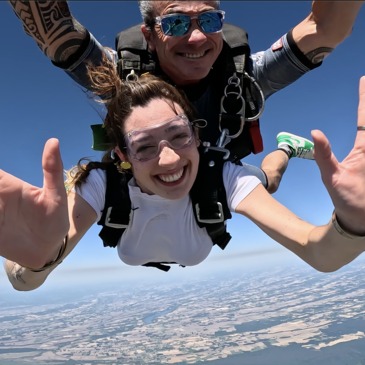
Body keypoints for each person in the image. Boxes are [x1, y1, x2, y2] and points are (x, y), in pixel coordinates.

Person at [3, 60, 365, 292]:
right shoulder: (103, 183)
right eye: (144, 147)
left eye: (179, 135)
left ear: (197, 133)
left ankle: (284, 148)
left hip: (225, 179)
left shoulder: (221, 175)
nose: (170, 158)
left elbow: (321, 255)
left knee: (270, 178)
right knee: (265, 182)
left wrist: (353, 224)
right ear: (122, 156)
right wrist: (39, 261)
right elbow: (23, 278)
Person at [7, 1, 364, 193]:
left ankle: (285, 148)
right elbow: (55, 31)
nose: (196, 39)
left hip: (214, 170)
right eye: (176, 24)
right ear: (149, 36)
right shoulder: (122, 79)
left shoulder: (241, 78)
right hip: (142, 180)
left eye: (209, 21)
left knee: (267, 182)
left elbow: (326, 30)